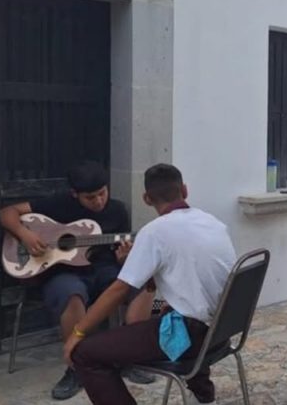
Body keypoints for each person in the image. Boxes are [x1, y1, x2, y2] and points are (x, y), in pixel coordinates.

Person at [65, 163, 238, 405]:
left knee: (85, 353)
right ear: (184, 190)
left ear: (147, 199)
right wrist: (140, 267)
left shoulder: (154, 232)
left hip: (188, 335)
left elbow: (119, 290)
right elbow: (143, 311)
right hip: (221, 330)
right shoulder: (214, 223)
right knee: (158, 311)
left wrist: (78, 332)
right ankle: (203, 395)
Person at [0, 161, 155, 400]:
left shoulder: (117, 211)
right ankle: (77, 367)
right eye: (90, 197)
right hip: (64, 273)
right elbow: (6, 213)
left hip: (103, 269)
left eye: (102, 193)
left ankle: (129, 356)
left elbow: (121, 258)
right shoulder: (58, 204)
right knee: (71, 293)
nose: (99, 201)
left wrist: (124, 259)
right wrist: (25, 234)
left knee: (141, 285)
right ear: (75, 194)